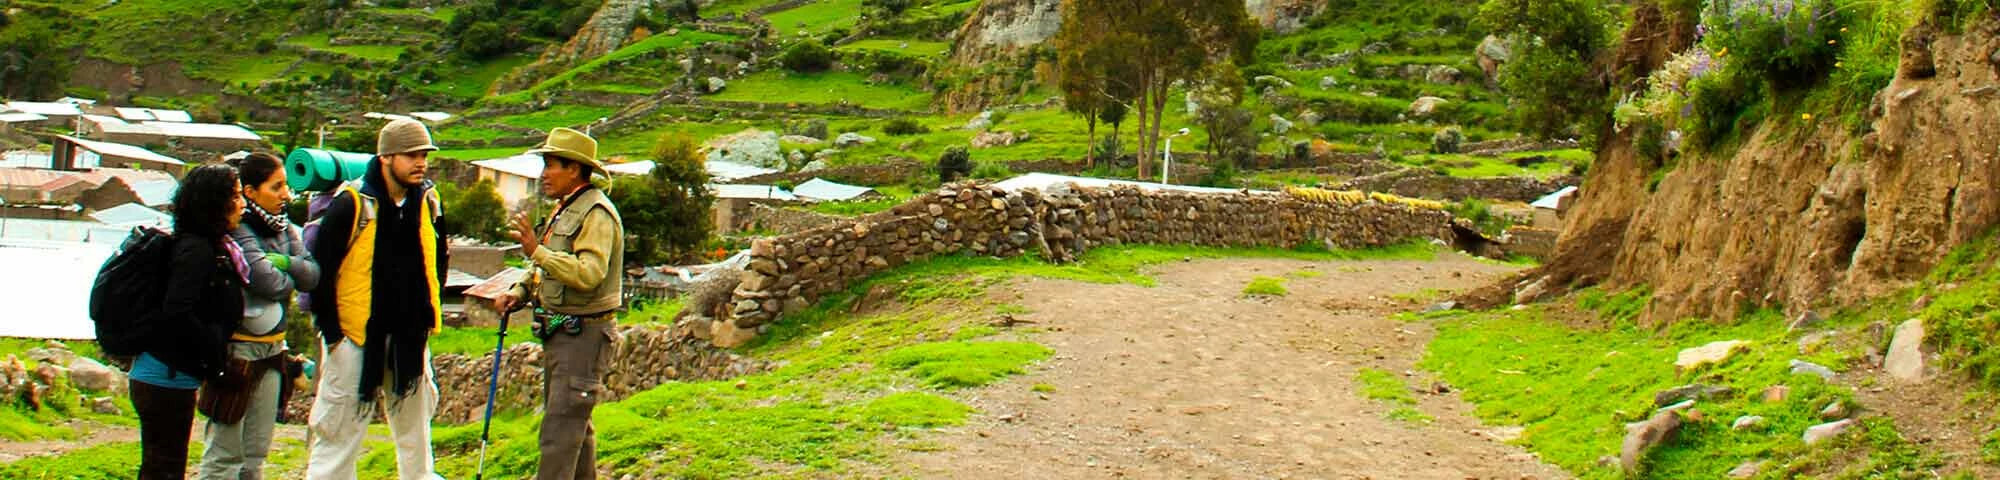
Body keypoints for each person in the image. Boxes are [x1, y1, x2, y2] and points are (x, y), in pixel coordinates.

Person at [306, 119, 448, 480]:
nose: (421, 163)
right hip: (355, 336)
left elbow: (438, 260)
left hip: (409, 337)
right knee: (339, 433)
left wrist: (426, 318)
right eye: (411, 155)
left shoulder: (427, 201)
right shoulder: (352, 204)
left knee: (417, 436)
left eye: (424, 155)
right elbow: (321, 275)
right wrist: (334, 337)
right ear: (386, 157)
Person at [491, 127, 625, 480]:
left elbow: (589, 273)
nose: (544, 174)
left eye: (551, 165)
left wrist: (536, 250)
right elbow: (546, 266)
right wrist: (519, 292)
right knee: (574, 429)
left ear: (574, 169)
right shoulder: (566, 209)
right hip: (563, 335)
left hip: (584, 337)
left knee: (559, 434)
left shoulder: (595, 214)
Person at [200, 152, 319, 480]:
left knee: (256, 450)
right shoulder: (239, 229)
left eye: (286, 186)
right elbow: (266, 281)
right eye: (276, 187)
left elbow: (313, 275)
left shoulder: (284, 228)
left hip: (273, 350)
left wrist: (285, 264)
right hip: (239, 351)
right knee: (226, 451)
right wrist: (291, 274)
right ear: (250, 192)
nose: (286, 195)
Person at [133, 164, 247, 479]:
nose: (242, 204)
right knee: (164, 468)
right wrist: (215, 360)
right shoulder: (196, 250)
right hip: (165, 377)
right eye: (236, 196)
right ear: (215, 203)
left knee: (163, 466)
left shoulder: (207, 246)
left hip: (172, 375)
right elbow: (177, 311)